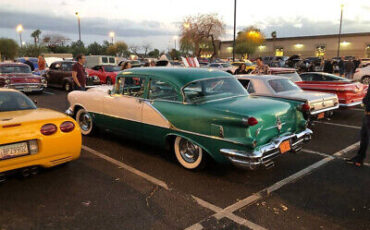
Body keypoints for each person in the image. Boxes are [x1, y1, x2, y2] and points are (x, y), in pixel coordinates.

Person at [347, 87, 370, 167]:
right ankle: (359, 159)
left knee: (365, 137)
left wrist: (365, 101)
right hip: (367, 114)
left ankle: (359, 159)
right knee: (364, 137)